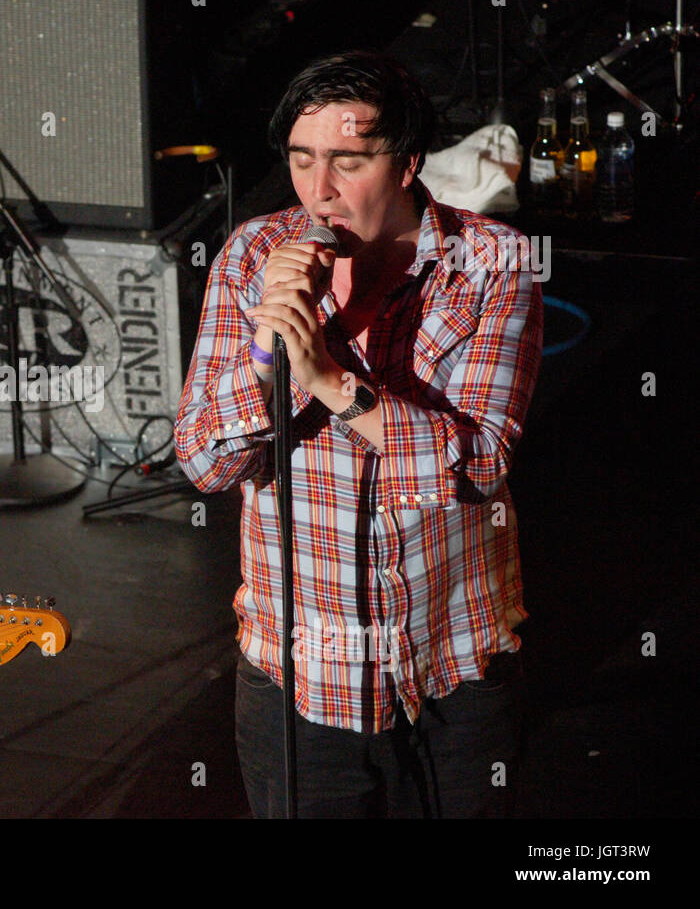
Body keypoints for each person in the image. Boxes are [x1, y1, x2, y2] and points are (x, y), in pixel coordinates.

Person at [174, 51, 543, 818]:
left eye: (348, 161)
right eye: (303, 160)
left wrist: (331, 380)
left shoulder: (490, 263)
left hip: (453, 666)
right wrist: (269, 354)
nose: (320, 189)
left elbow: (479, 465)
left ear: (407, 164)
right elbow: (206, 463)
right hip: (300, 673)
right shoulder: (251, 257)